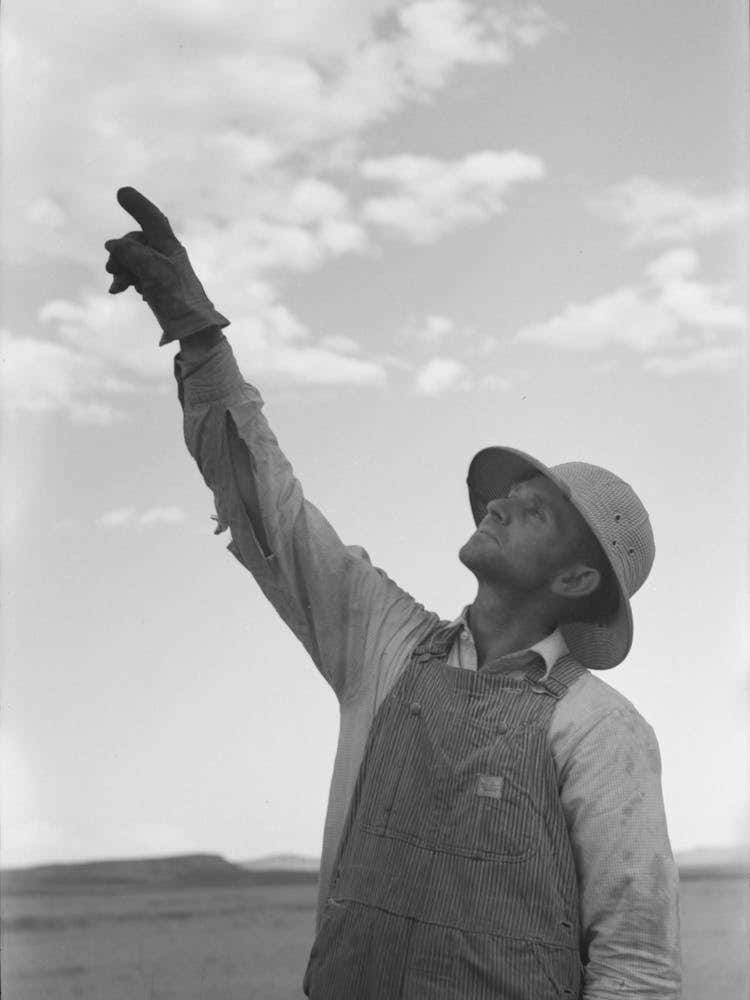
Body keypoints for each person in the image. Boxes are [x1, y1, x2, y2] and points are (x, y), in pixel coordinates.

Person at [104, 187, 682, 999]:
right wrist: (200, 335)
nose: (499, 502)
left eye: (538, 510)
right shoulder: (382, 645)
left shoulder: (601, 731)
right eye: (504, 493)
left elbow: (636, 965)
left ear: (576, 579)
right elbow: (271, 507)